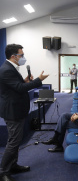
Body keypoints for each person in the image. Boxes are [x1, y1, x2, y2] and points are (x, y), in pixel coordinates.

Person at [0, 44, 49, 181]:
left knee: (15, 140)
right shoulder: (6, 70)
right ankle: (3, 171)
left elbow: (17, 86)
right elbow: (20, 89)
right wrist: (39, 80)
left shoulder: (11, 68)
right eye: (21, 55)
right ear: (13, 56)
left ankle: (12, 165)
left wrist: (26, 81)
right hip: (12, 112)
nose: (23, 58)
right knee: (14, 142)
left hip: (17, 109)